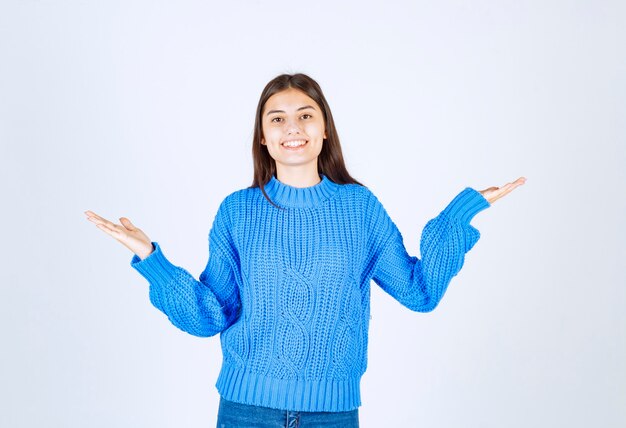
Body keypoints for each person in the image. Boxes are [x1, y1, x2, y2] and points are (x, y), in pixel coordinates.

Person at [85, 73, 526, 428]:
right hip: (246, 411)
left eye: (305, 115)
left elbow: (419, 291)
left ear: (325, 129)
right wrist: (151, 260)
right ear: (262, 137)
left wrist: (457, 216)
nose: (292, 128)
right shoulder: (237, 212)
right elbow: (209, 315)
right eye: (276, 119)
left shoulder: (360, 208)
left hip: (333, 414)